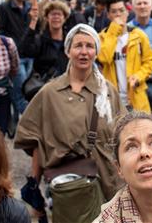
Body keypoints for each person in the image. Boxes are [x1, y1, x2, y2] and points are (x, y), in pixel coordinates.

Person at [15, 24, 126, 222]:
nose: (84, 52)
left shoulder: (108, 92)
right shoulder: (50, 93)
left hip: (109, 185)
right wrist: (34, 190)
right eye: (78, 46)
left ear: (96, 52)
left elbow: (124, 138)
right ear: (68, 51)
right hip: (69, 190)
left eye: (89, 46)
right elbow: (36, 145)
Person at [98, 0, 152, 112]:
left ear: (127, 12)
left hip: (136, 97)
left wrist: (139, 76)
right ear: (108, 15)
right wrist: (113, 31)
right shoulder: (102, 37)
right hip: (112, 99)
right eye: (114, 12)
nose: (118, 14)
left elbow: (149, 62)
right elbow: (104, 58)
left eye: (121, 10)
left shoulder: (139, 35)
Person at [19, 0, 70, 82]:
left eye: (59, 14)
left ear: (64, 18)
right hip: (44, 86)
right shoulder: (41, 39)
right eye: (53, 14)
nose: (56, 17)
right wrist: (33, 21)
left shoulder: (70, 40)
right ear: (46, 18)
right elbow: (25, 50)